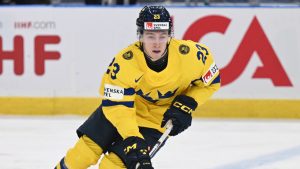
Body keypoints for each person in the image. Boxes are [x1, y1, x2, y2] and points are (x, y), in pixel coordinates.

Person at [55, 5, 220, 169]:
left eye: (162, 36)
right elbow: (117, 106)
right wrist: (132, 137)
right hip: (120, 113)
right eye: (150, 36)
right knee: (81, 156)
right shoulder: (125, 62)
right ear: (140, 35)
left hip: (156, 121)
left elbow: (211, 82)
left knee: (112, 166)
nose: (157, 43)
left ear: (170, 35)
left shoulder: (192, 56)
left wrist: (188, 102)